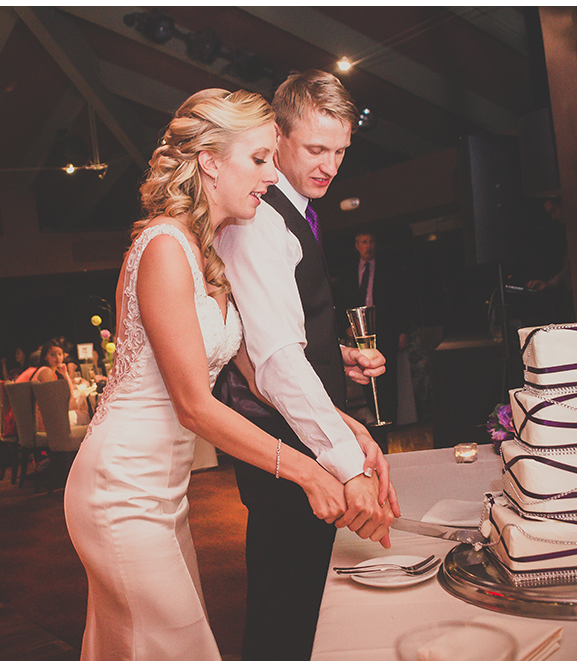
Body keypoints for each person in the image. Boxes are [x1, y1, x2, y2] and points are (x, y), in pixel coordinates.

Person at [65, 88, 379, 660]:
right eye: (258, 159)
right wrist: (308, 472)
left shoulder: (205, 249)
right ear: (209, 162)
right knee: (180, 647)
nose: (271, 174)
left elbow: (259, 375)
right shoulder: (164, 247)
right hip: (120, 486)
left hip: (165, 491)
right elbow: (194, 405)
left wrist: (346, 428)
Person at [213, 70, 399, 660]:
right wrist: (347, 462)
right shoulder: (258, 220)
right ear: (279, 135)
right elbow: (272, 361)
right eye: (317, 149)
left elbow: (277, 331)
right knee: (285, 615)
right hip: (284, 441)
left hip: (304, 430)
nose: (330, 166)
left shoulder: (292, 211)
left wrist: (335, 356)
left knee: (304, 607)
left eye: (340, 152)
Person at [336, 231, 414, 426]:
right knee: (365, 374)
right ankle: (375, 417)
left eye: (371, 242)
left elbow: (402, 300)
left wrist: (403, 331)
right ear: (357, 245)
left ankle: (390, 420)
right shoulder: (349, 271)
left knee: (387, 376)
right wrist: (345, 327)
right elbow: (341, 300)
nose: (368, 246)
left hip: (386, 330)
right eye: (364, 242)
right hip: (360, 332)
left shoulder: (388, 268)